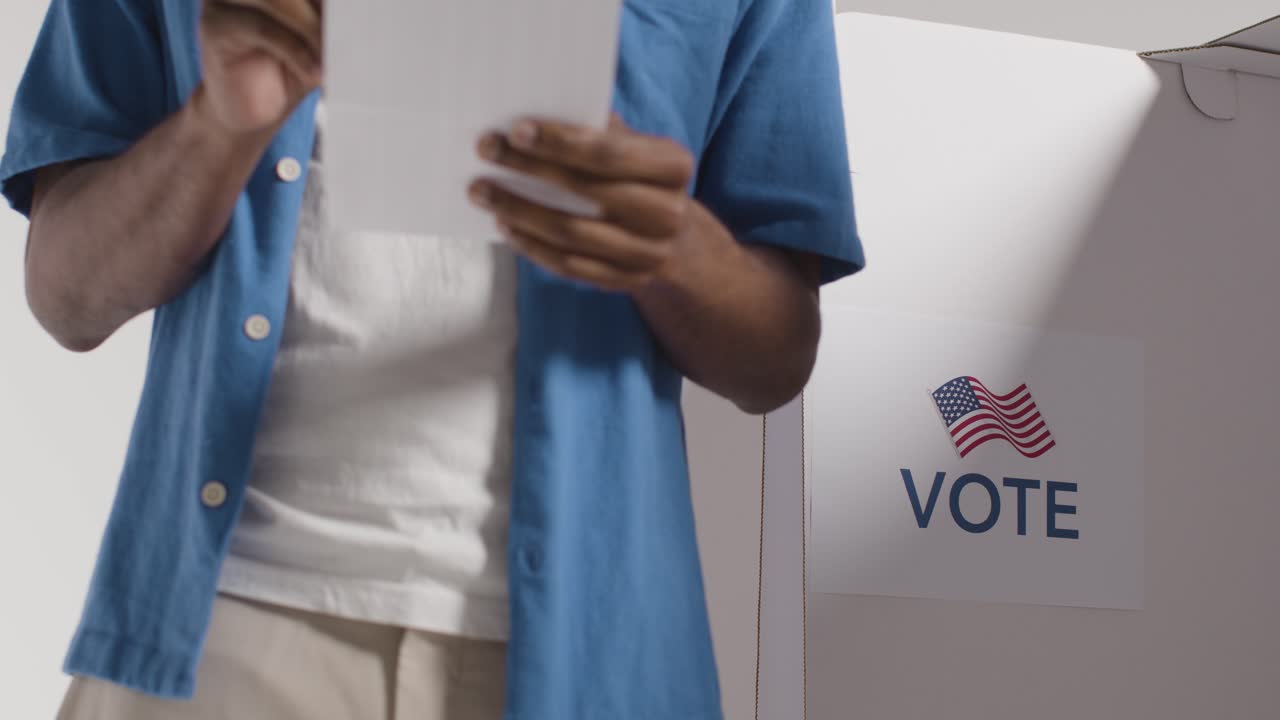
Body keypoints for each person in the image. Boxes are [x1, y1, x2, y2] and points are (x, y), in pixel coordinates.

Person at [1, 0, 863, 718]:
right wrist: (217, 125)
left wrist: (672, 249)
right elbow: (64, 294)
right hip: (218, 637)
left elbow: (778, 355)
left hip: (592, 658)